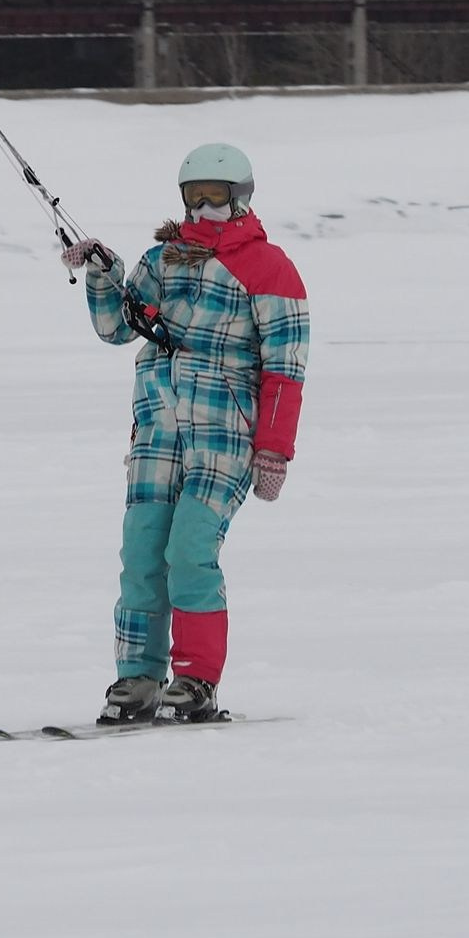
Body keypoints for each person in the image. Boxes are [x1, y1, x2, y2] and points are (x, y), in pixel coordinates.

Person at [59, 143, 309, 723]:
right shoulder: (162, 260)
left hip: (224, 439)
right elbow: (118, 329)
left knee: (190, 552)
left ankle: (197, 681)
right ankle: (138, 680)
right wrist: (104, 274)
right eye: (193, 197)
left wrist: (275, 451)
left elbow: (286, 368)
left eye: (215, 198)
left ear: (240, 199)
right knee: (142, 555)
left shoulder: (271, 269)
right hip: (156, 435)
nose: (203, 209)